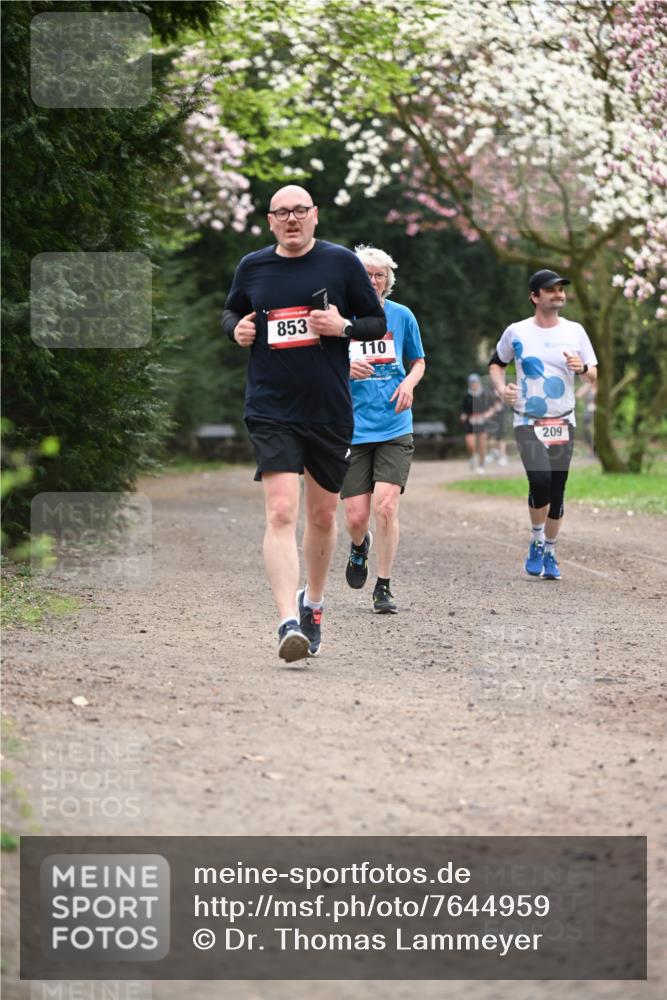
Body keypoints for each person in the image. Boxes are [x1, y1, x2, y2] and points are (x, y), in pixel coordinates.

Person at [222, 185, 386, 662]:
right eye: (282, 213)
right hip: (271, 407)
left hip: (328, 409)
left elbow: (375, 322)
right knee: (279, 512)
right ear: (270, 221)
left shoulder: (340, 264)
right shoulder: (253, 266)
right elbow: (232, 310)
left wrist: (344, 328)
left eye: (299, 211)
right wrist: (236, 328)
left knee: (322, 516)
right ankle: (286, 622)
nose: (291, 219)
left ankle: (312, 604)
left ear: (314, 216)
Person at [489, 268, 598, 580]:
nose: (558, 293)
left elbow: (594, 374)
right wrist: (501, 388)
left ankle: (549, 550)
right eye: (551, 289)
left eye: (561, 288)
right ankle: (537, 538)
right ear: (534, 297)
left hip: (563, 420)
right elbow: (497, 364)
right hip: (527, 419)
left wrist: (583, 368)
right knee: (539, 481)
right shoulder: (517, 332)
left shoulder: (575, 331)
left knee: (558, 491)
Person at [340, 245, 425, 614]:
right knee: (357, 517)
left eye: (379, 275)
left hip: (394, 426)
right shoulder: (339, 319)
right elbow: (318, 368)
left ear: (388, 280)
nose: (373, 281)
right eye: (367, 274)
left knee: (386, 506)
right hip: (351, 428)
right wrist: (345, 368)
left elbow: (418, 361)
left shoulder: (401, 315)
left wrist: (408, 383)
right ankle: (360, 546)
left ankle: (384, 586)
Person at [460, 373, 495, 474]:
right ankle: (472, 457)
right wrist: (463, 415)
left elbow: (492, 407)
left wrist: (488, 414)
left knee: (482, 445)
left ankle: (481, 465)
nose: (473, 384)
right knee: (470, 444)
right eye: (472, 383)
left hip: (482, 422)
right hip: (470, 422)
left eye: (475, 382)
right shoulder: (467, 395)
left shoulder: (486, 394)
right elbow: (463, 409)